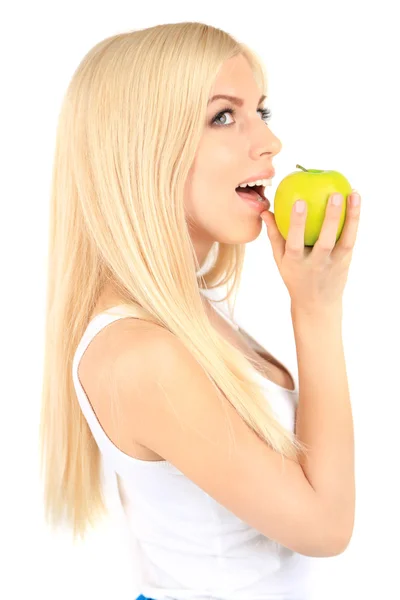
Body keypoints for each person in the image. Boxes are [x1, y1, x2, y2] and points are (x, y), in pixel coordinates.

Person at [39, 21, 360, 600]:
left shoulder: (191, 318)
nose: (269, 143)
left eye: (262, 111)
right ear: (144, 148)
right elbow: (325, 528)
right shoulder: (139, 355)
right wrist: (317, 312)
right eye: (223, 116)